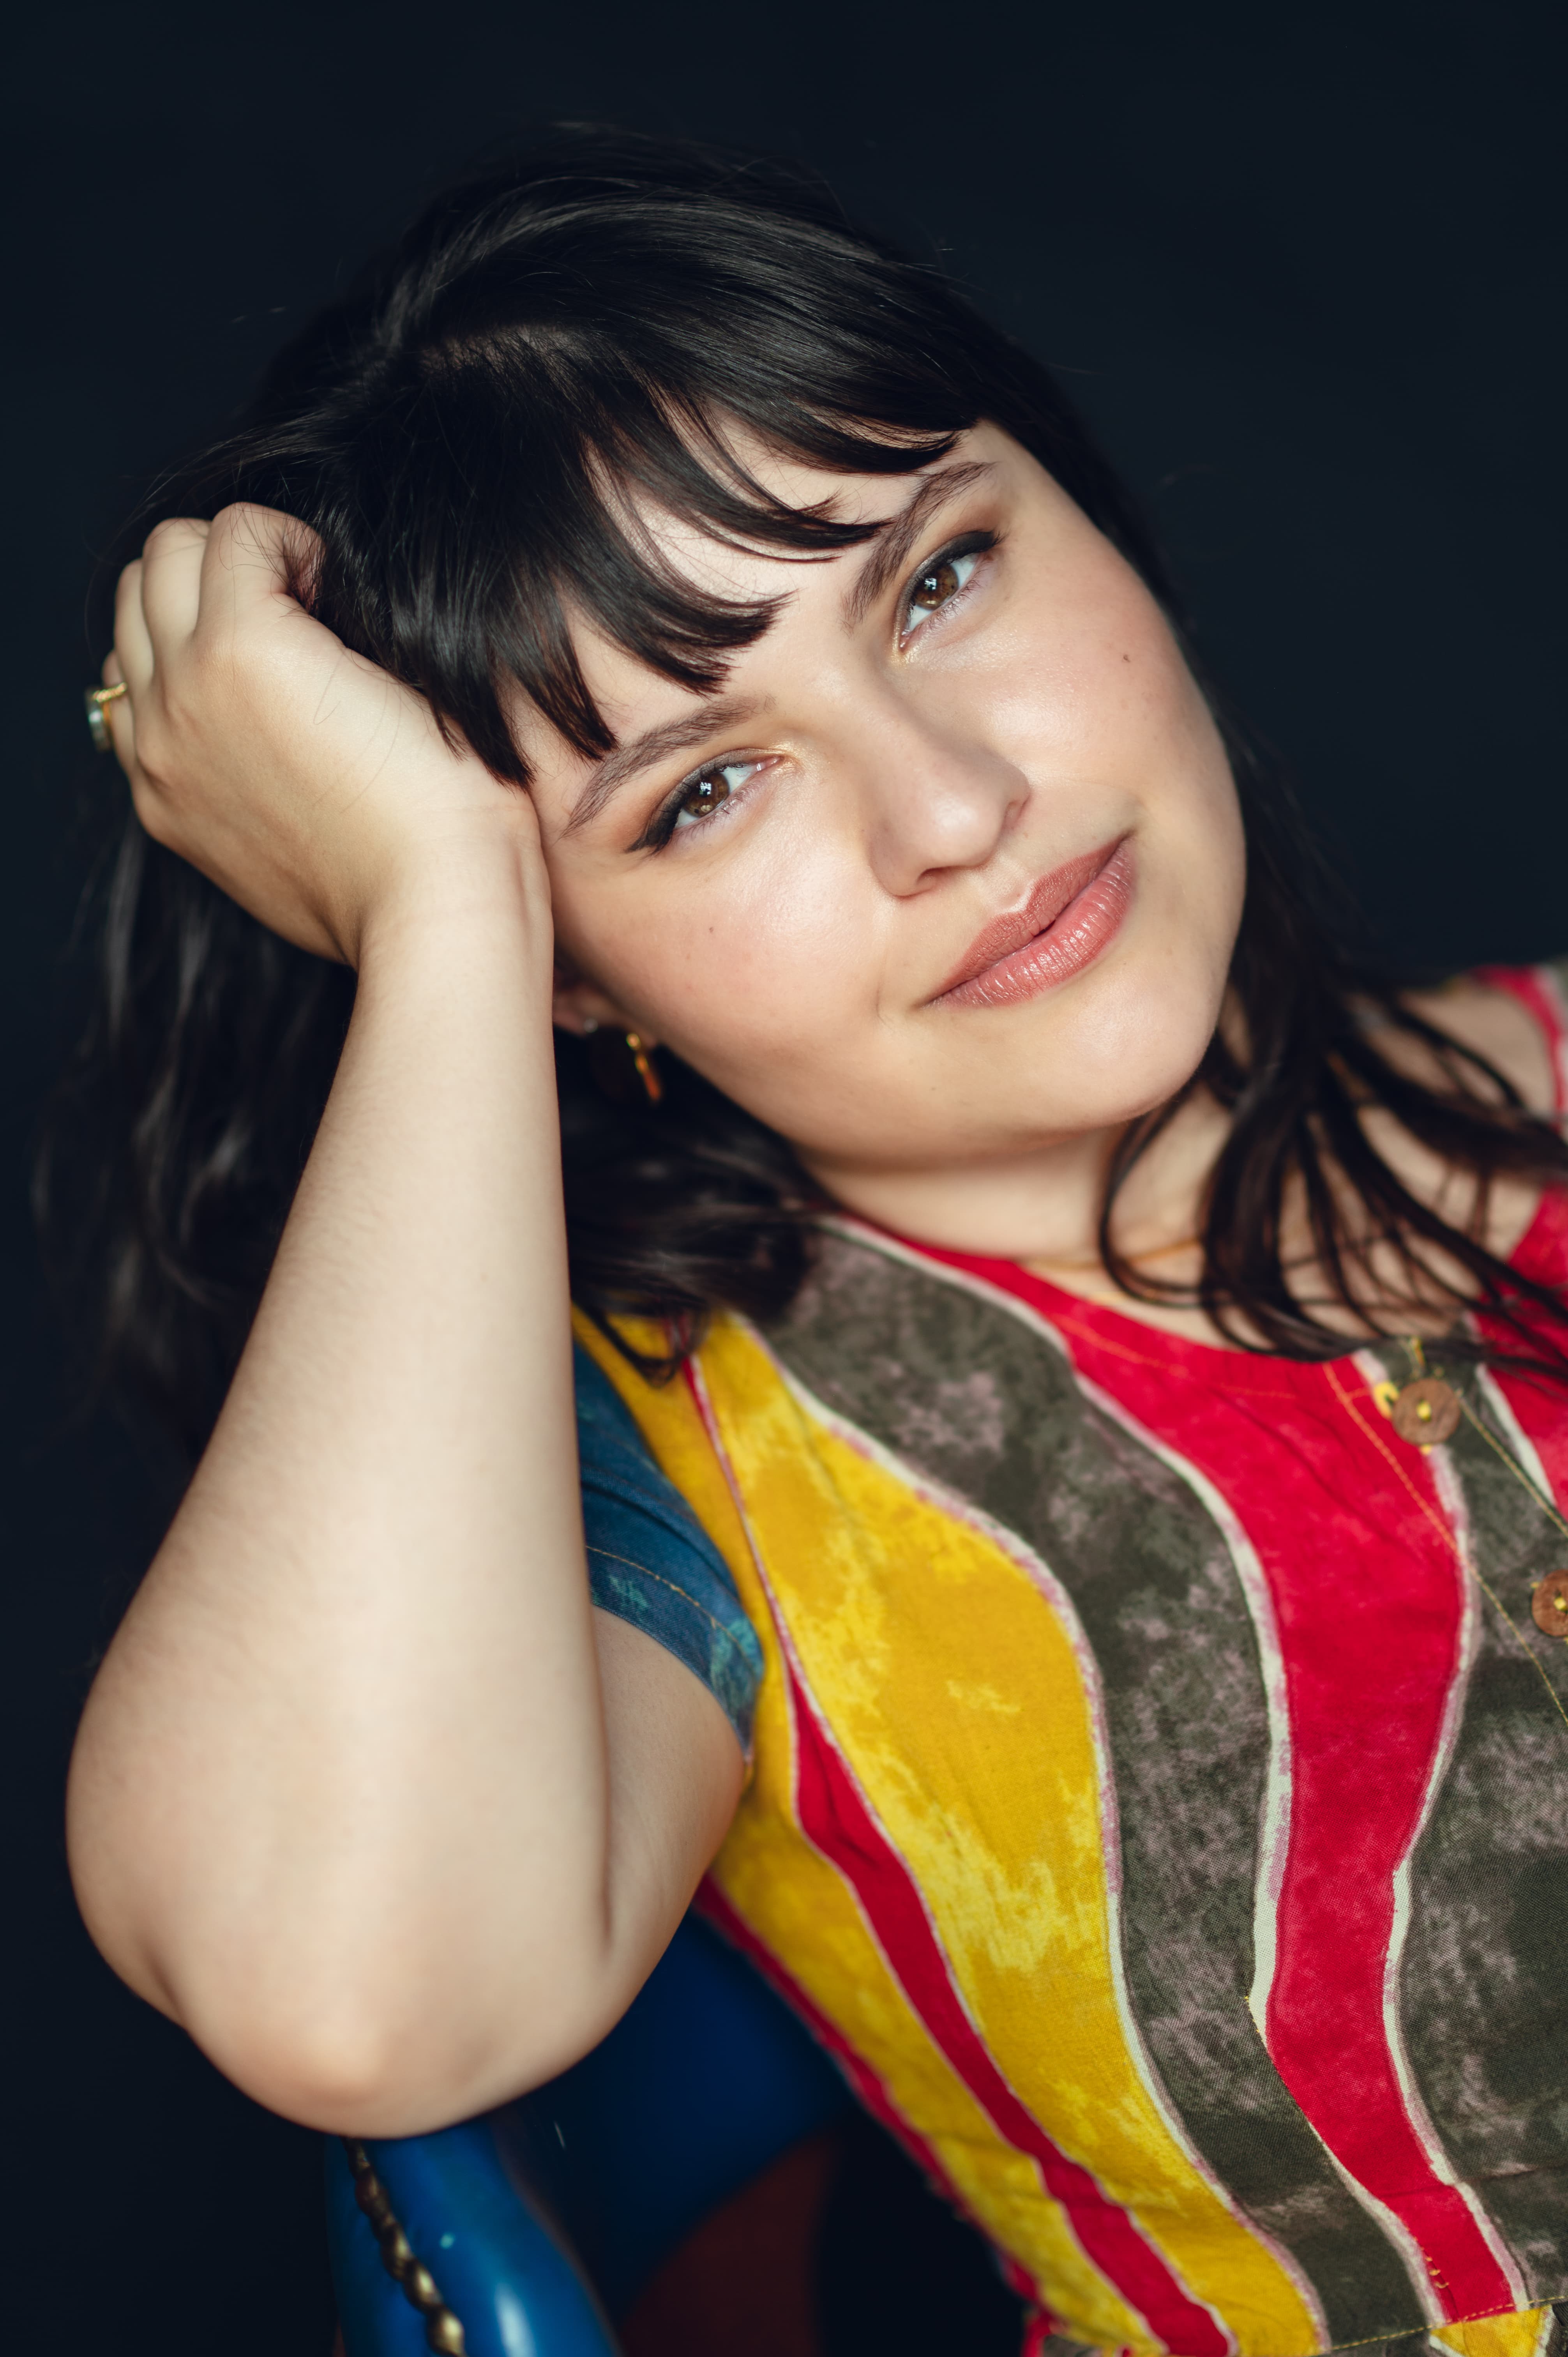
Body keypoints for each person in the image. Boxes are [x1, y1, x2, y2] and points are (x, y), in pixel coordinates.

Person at [55, 127, 1568, 2357]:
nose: (956, 811)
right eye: (696, 791)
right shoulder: (691, 1475)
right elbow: (346, 1987)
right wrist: (442, 921)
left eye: (938, 578)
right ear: (575, 966)